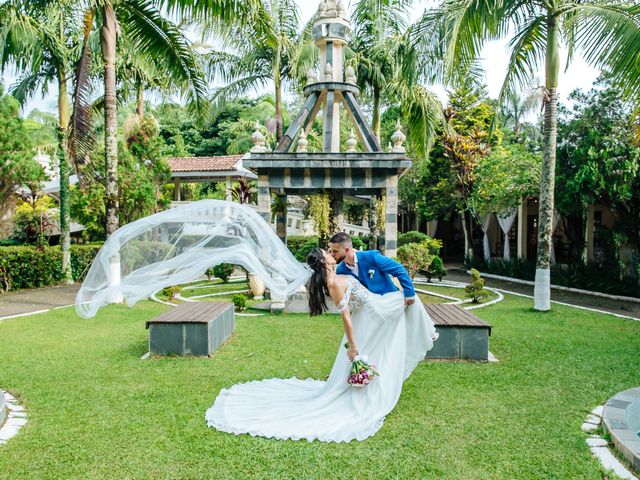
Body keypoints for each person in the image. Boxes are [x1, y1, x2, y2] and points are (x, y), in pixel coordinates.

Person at [205, 247, 438, 442]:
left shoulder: (337, 274)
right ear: (323, 261)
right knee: (409, 301)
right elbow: (345, 316)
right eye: (327, 253)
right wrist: (353, 347)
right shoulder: (333, 282)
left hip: (373, 311)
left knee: (407, 304)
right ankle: (428, 335)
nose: (330, 253)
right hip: (374, 314)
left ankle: (425, 334)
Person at [329, 232, 416, 307]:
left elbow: (398, 269)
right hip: (369, 311)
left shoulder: (372, 257)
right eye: (331, 251)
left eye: (335, 251)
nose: (332, 254)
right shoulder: (340, 270)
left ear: (347, 250)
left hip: (391, 302)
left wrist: (409, 293)